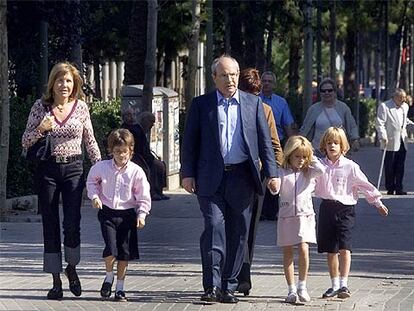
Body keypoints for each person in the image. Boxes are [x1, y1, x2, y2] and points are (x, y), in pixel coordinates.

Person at [181, 55, 280, 304]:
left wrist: (272, 174)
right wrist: (187, 173)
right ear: (214, 77)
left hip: (242, 177)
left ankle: (229, 286)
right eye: (224, 75)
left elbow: (265, 143)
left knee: (238, 233)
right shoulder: (201, 105)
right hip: (210, 178)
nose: (230, 80)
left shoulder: (253, 104)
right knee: (214, 227)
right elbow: (190, 142)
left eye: (234, 74)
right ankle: (211, 286)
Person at [22, 62, 101, 299]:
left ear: (74, 84)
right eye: (59, 80)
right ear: (52, 84)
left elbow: (90, 141)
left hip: (74, 168)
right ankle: (56, 280)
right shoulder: (40, 107)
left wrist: (99, 170)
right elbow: (25, 141)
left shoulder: (81, 108)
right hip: (48, 169)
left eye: (68, 81)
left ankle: (72, 268)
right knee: (50, 224)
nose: (64, 85)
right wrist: (41, 129)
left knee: (72, 223)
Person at [315, 127, 388, 299]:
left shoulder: (351, 166)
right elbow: (307, 179)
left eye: (336, 143)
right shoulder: (319, 165)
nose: (332, 146)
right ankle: (333, 284)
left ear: (343, 147)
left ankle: (344, 284)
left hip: (345, 210)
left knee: (344, 247)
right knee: (330, 249)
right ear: (324, 146)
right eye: (329, 143)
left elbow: (365, 185)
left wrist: (377, 202)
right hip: (326, 208)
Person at [86, 129, 151, 301]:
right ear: (111, 151)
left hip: (127, 215)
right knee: (111, 248)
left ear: (131, 151)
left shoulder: (136, 171)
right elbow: (92, 181)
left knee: (124, 253)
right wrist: (94, 197)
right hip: (107, 212)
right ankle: (109, 276)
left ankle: (120, 288)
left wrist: (142, 214)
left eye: (124, 152)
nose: (121, 155)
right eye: (117, 152)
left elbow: (143, 195)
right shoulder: (102, 167)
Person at [236, 68, 284, 296]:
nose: (252, 99)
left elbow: (274, 145)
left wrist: (274, 173)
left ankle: (243, 276)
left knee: (249, 229)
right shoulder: (231, 108)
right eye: (248, 93)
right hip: (232, 174)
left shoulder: (264, 110)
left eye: (255, 94)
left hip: (257, 177)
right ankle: (227, 274)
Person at [276, 135, 324, 303]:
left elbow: (322, 170)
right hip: (286, 216)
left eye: (304, 157)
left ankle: (302, 285)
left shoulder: (309, 171)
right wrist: (273, 184)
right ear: (289, 154)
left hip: (305, 215)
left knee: (304, 248)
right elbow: (275, 189)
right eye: (297, 156)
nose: (301, 160)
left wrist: (311, 155)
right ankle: (291, 289)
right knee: (287, 251)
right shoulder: (282, 171)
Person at [300, 78, 360, 155]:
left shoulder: (343, 108)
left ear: (335, 92)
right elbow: (305, 128)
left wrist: (355, 139)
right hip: (317, 152)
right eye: (323, 91)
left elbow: (352, 125)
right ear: (320, 93)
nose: (327, 93)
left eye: (330, 90)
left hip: (338, 152)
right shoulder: (313, 109)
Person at [121, 110, 169, 201]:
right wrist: (150, 158)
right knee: (155, 166)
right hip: (137, 156)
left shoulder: (137, 128)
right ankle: (152, 192)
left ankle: (158, 191)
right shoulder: (132, 130)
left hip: (142, 155)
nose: (152, 125)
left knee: (160, 165)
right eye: (151, 122)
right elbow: (139, 148)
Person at [376, 88, 414, 195]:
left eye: (404, 97)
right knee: (389, 166)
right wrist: (383, 136)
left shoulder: (405, 107)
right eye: (401, 98)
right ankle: (390, 187)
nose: (404, 100)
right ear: (395, 97)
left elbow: (405, 121)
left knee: (400, 166)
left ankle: (399, 188)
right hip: (390, 141)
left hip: (402, 140)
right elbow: (380, 123)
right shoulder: (384, 106)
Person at [260, 70, 296, 146]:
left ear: (274, 85)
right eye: (264, 81)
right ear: (260, 83)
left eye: (270, 81)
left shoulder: (281, 102)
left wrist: (293, 145)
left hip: (276, 143)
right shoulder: (253, 99)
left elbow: (288, 125)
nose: (266, 83)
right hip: (257, 142)